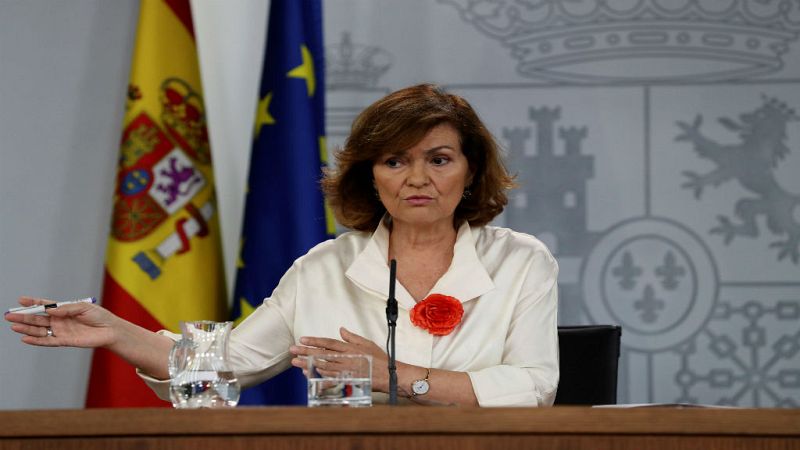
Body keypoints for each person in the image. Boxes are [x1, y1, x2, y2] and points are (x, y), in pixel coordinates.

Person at [6, 84, 559, 406]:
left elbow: (535, 387)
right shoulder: (325, 267)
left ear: (470, 170)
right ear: (371, 177)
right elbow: (224, 367)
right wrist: (117, 332)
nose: (417, 179)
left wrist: (395, 375)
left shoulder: (520, 261)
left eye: (438, 159)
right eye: (395, 161)